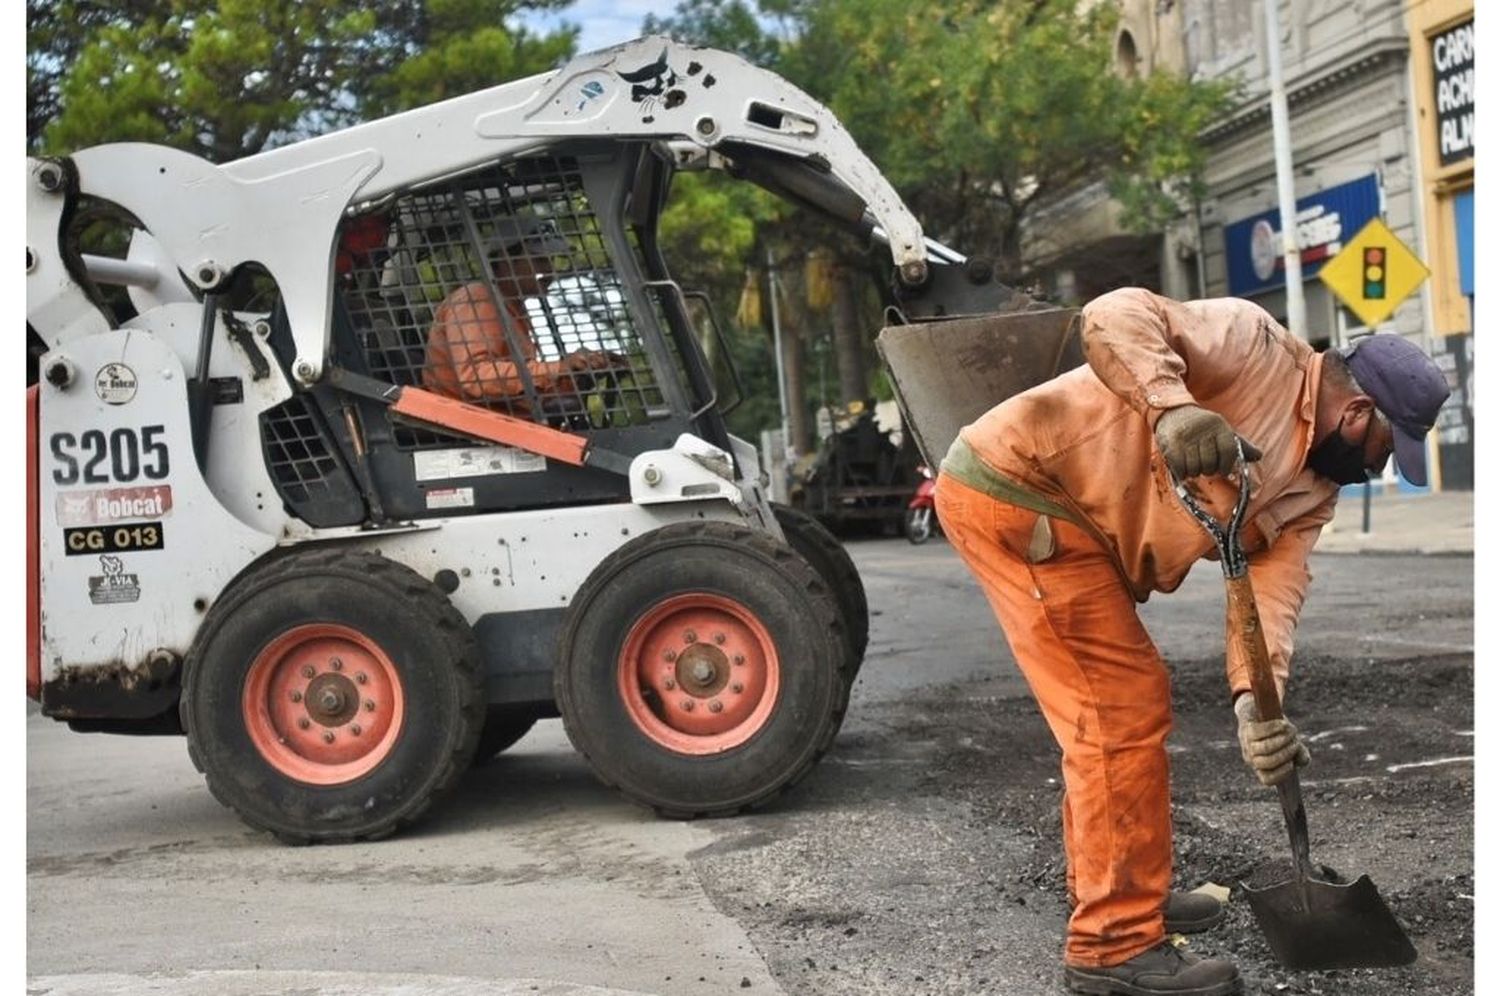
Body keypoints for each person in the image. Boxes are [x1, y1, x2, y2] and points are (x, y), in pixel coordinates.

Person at [933, 287, 1450, 996]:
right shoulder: (1250, 341)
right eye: (1389, 450)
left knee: (1123, 706)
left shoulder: (1313, 490)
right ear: (1359, 413)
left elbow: (1273, 594)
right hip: (1022, 487)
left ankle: (1124, 889)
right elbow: (1111, 315)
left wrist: (1254, 706)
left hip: (1084, 528)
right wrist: (1171, 407)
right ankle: (1111, 946)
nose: (1383, 469)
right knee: (1116, 710)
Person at [422, 214, 611, 410]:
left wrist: (577, 372)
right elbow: (476, 377)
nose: (551, 272)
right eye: (540, 260)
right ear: (506, 259)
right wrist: (559, 368)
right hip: (467, 424)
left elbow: (519, 386)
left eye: (551, 260)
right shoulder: (478, 298)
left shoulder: (512, 307)